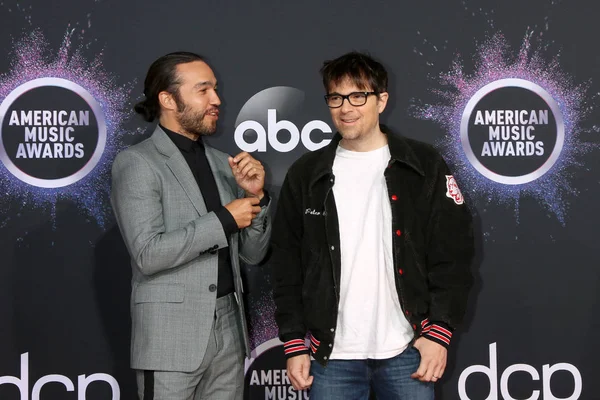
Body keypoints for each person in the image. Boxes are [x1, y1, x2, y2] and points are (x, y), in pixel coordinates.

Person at [271, 51, 474, 399]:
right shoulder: (306, 174)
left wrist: (439, 332)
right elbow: (287, 263)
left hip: (407, 349)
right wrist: (293, 341)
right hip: (330, 356)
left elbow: (452, 256)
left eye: (358, 96)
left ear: (381, 100)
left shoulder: (423, 165)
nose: (345, 108)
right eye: (335, 97)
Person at [111, 51, 271, 400]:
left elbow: (253, 255)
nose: (217, 100)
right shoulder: (137, 163)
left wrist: (257, 198)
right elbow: (148, 254)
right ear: (168, 99)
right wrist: (225, 218)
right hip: (171, 337)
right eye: (203, 90)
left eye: (215, 89)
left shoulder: (222, 164)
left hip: (230, 328)